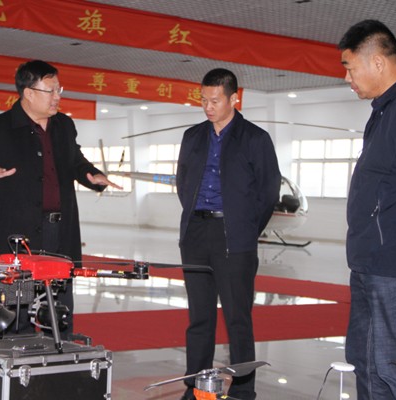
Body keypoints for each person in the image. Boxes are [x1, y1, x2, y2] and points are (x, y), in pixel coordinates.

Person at [0, 60, 121, 336]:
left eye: (59, 90)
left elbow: (75, 160)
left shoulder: (64, 125)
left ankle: (59, 357)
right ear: (29, 93)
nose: (57, 97)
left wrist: (91, 175)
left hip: (60, 233)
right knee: (15, 311)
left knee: (58, 311)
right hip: (17, 237)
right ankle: (15, 359)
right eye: (51, 90)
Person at [175, 68, 281, 400]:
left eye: (215, 100)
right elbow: (183, 183)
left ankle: (243, 391)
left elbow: (268, 192)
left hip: (235, 237)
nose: (208, 107)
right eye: (203, 100)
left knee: (238, 319)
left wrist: (245, 228)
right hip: (196, 233)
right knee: (199, 318)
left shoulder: (255, 139)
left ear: (234, 98)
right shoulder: (193, 136)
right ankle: (195, 387)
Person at [338, 20, 396, 400]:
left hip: (394, 266)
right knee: (364, 361)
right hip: (368, 262)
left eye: (350, 67)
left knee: (392, 366)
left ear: (378, 62)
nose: (347, 77)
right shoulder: (382, 112)